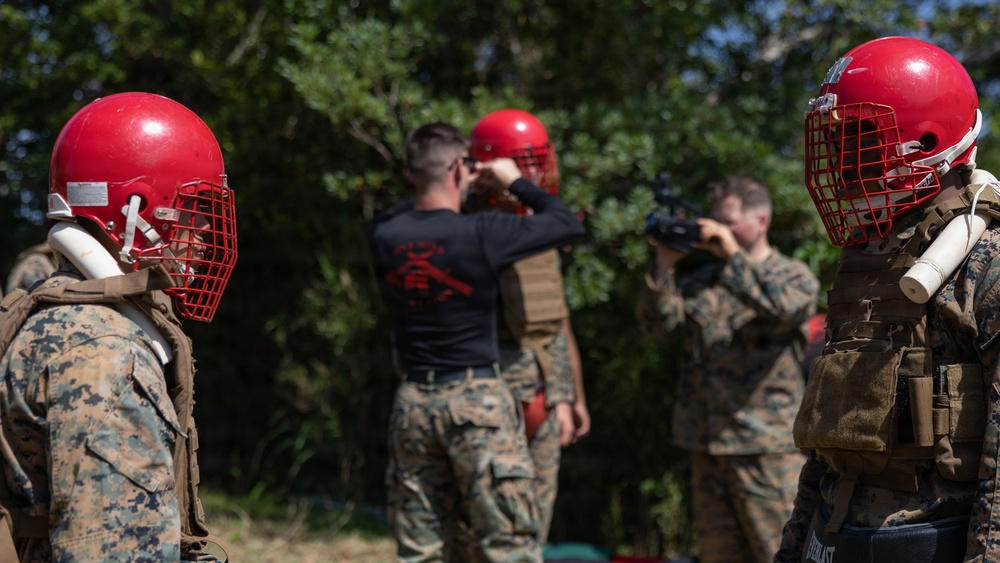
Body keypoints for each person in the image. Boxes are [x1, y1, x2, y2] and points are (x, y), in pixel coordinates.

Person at [775, 36, 1000, 563]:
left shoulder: (983, 261)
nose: (841, 161)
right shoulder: (866, 258)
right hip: (834, 540)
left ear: (925, 139)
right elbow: (832, 442)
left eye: (858, 138)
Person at [0, 92, 237, 561]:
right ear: (135, 209)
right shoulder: (105, 353)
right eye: (194, 212)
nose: (205, 234)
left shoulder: (56, 310)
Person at [371, 121, 584, 562]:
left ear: (413, 173)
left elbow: (401, 210)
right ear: (459, 169)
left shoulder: (385, 236)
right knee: (508, 547)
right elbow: (564, 223)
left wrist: (437, 177)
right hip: (476, 401)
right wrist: (512, 180)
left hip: (412, 403)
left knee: (421, 550)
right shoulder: (482, 233)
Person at [636, 175, 819, 563]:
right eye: (715, 221)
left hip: (765, 448)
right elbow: (657, 328)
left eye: (730, 221)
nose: (719, 230)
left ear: (762, 221)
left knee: (783, 553)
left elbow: (782, 310)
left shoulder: (792, 276)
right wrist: (664, 265)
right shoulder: (702, 282)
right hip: (707, 443)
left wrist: (732, 253)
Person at [468, 108, 591, 547]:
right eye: (525, 164)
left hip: (545, 396)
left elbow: (556, 321)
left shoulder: (538, 228)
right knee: (490, 530)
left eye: (539, 161)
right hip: (495, 403)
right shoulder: (468, 229)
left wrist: (571, 394)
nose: (537, 173)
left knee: (534, 529)